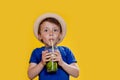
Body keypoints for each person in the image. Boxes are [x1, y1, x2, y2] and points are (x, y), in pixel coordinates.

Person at [28, 13, 79, 80]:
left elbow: (76, 73)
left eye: (55, 30)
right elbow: (30, 75)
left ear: (60, 35)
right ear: (40, 35)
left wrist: (62, 63)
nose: (51, 33)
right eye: (46, 30)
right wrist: (42, 63)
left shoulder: (66, 51)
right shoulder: (37, 52)